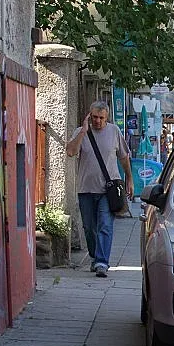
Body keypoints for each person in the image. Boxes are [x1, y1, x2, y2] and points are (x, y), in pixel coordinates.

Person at [65, 100, 134, 278]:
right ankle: (96, 257)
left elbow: (124, 157)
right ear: (89, 115)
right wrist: (83, 131)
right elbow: (71, 152)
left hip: (108, 189)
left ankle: (102, 262)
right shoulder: (81, 132)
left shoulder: (114, 131)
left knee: (105, 224)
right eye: (94, 117)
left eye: (101, 118)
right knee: (89, 227)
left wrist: (129, 179)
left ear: (107, 117)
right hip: (85, 188)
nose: (97, 121)